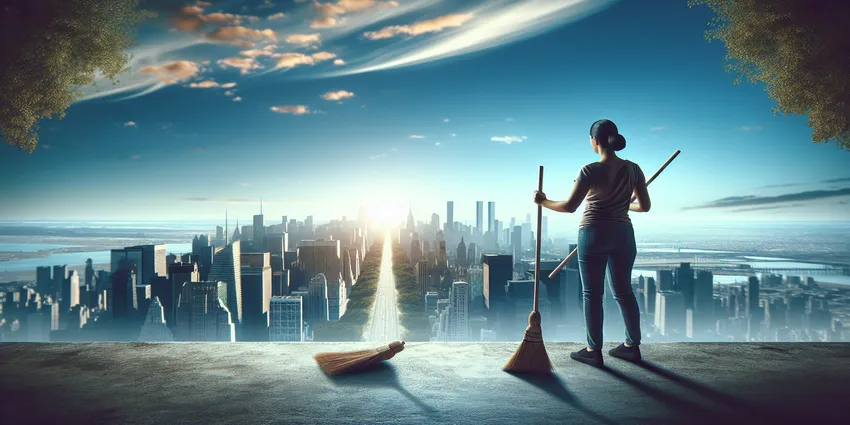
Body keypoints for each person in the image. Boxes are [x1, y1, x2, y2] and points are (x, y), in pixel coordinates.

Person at [533, 119, 651, 367]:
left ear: (594, 140)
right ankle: (632, 347)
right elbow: (645, 207)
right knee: (623, 292)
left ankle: (593, 350)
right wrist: (622, 204)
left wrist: (543, 201)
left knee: (592, 294)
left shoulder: (589, 170)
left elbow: (569, 207)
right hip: (623, 234)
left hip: (594, 232)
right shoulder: (634, 169)